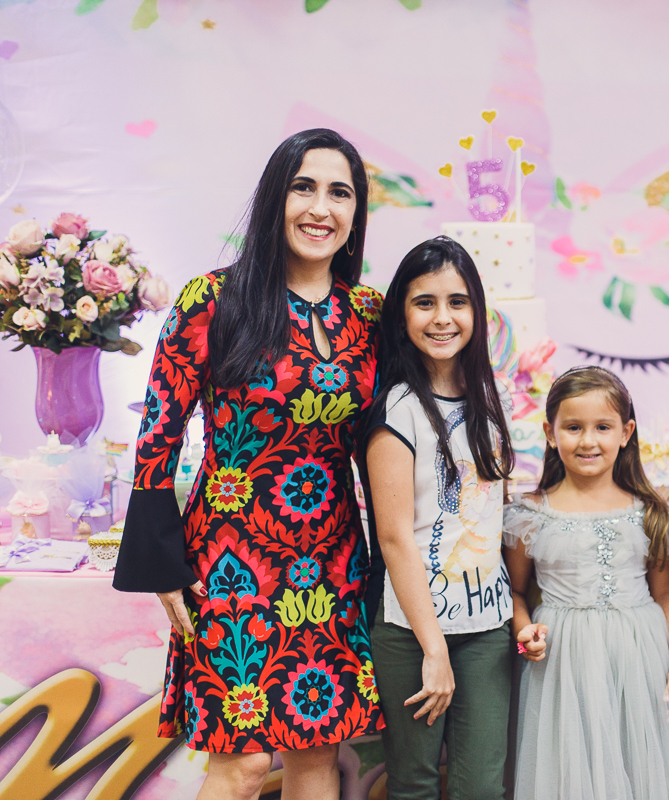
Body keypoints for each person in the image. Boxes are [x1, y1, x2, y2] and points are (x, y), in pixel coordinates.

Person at [113, 128, 385, 800]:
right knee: (241, 765)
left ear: (355, 215)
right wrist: (160, 561)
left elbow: (393, 439)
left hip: (332, 560)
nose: (321, 207)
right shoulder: (212, 299)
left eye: (339, 192)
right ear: (275, 199)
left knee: (317, 754)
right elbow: (158, 435)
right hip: (229, 558)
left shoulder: (370, 315)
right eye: (304, 187)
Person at [502, 366, 669, 800]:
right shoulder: (529, 513)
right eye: (573, 427)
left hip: (639, 657)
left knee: (641, 770)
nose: (588, 441)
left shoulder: (649, 511)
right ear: (550, 432)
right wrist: (522, 628)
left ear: (626, 432)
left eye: (603, 427)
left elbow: (664, 595)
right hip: (563, 662)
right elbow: (515, 591)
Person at [360, 236, 515, 800]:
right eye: (424, 303)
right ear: (403, 316)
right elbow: (396, 539)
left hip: (487, 628)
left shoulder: (487, 401)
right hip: (411, 631)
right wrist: (433, 650)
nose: (443, 318)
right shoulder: (396, 409)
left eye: (457, 301)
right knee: (416, 784)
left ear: (476, 309)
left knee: (482, 787)